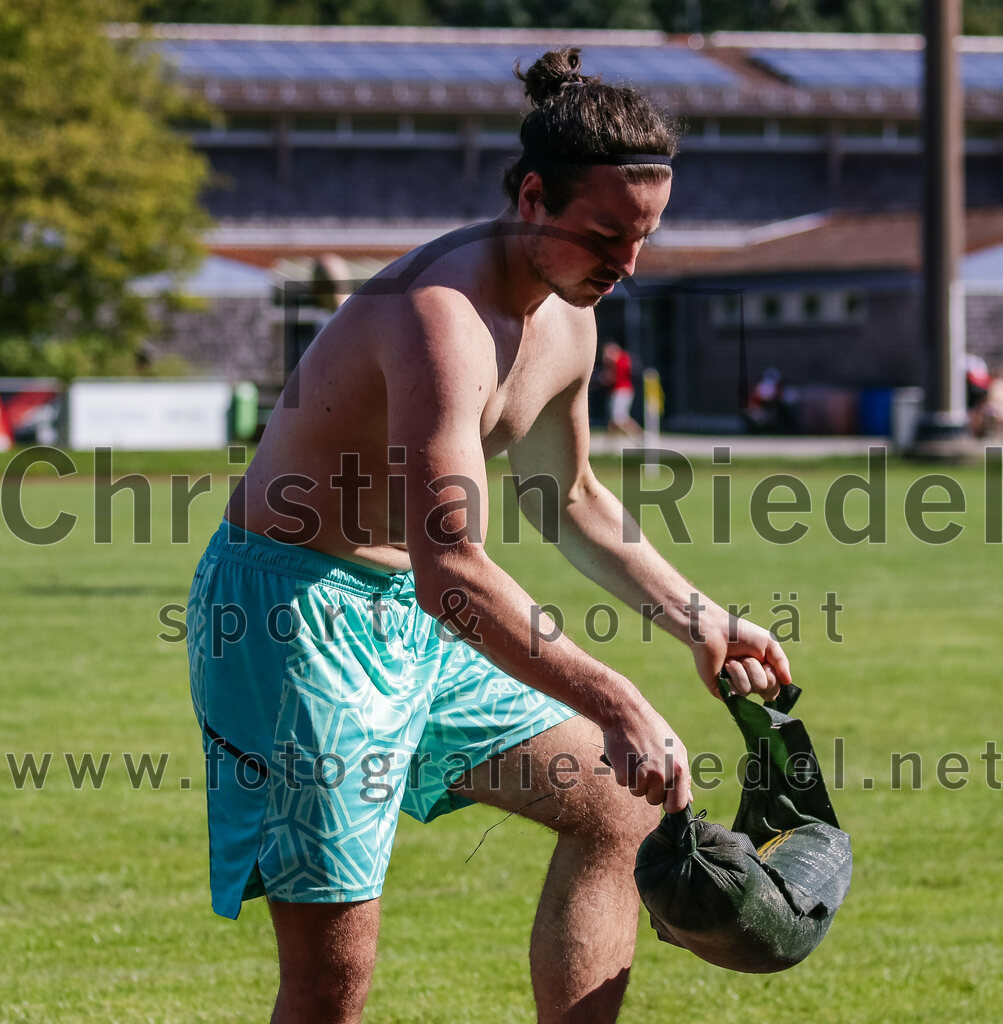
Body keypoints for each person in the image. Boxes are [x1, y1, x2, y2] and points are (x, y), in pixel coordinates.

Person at [186, 47, 790, 1024]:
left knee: (615, 801)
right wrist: (620, 698)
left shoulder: (571, 317)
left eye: (642, 241)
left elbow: (571, 496)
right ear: (532, 198)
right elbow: (454, 570)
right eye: (604, 236)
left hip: (409, 616)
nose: (624, 267)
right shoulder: (438, 314)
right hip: (293, 620)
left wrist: (700, 618)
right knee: (332, 978)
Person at [602, 341, 642, 437]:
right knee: (615, 419)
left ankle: (640, 435)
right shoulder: (623, 359)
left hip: (622, 391)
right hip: (620, 391)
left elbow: (611, 378)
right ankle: (611, 443)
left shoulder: (620, 360)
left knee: (619, 418)